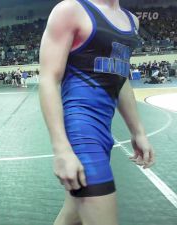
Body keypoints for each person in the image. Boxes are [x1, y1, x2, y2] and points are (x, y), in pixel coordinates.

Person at [38, 1, 155, 225]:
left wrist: (138, 131)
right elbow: (48, 79)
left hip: (102, 134)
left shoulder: (132, 21)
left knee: (72, 214)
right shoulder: (70, 10)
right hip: (81, 133)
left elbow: (120, 79)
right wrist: (61, 148)